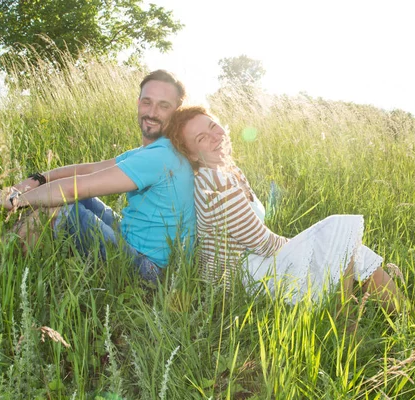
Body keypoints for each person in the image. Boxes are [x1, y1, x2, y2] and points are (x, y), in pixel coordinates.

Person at [164, 106, 402, 312]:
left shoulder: (227, 170)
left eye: (213, 126)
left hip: (257, 262)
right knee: (339, 230)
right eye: (201, 138)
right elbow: (263, 243)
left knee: (355, 252)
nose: (215, 137)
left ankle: (399, 318)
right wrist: (314, 245)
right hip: (243, 277)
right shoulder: (216, 183)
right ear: (192, 155)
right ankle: (346, 323)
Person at [0, 70, 195, 284]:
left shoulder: (160, 156)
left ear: (177, 112)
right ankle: (10, 260)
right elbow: (88, 170)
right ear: (138, 103)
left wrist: (16, 201)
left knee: (59, 204)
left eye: (164, 106)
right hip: (133, 240)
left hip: (150, 271)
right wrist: (31, 183)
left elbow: (72, 188)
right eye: (147, 102)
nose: (152, 112)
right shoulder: (155, 150)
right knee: (64, 198)